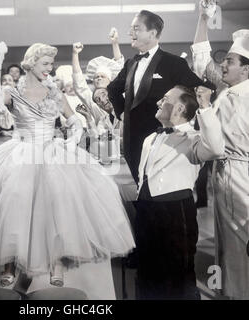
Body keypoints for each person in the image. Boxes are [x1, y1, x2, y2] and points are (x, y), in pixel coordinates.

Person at [0, 41, 135, 294]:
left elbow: (75, 122)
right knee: (13, 199)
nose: (49, 68)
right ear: (31, 63)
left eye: (51, 64)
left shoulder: (54, 92)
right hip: (21, 149)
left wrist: (69, 142)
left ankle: (56, 260)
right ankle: (10, 263)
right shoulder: (15, 92)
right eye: (45, 63)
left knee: (57, 202)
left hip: (52, 149)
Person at [135, 85, 224, 299]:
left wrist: (204, 108)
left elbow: (215, 149)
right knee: (148, 272)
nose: (158, 102)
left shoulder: (193, 138)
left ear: (179, 108)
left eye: (165, 99)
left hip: (175, 213)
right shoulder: (150, 138)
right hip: (146, 210)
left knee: (178, 274)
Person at [191, 0, 249, 299]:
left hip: (241, 175)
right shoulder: (228, 90)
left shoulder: (242, 96)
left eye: (229, 61)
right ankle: (230, 291)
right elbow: (202, 61)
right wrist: (202, 18)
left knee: (240, 241)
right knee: (226, 241)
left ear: (246, 68)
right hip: (224, 173)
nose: (222, 64)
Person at [107, 10, 203, 183]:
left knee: (160, 190)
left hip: (164, 141)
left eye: (136, 28)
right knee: (139, 189)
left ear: (152, 33)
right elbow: (113, 89)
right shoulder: (131, 63)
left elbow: (199, 90)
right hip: (132, 139)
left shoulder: (174, 63)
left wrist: (182, 122)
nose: (130, 33)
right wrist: (122, 113)